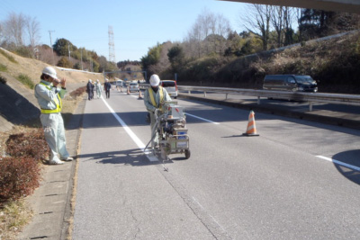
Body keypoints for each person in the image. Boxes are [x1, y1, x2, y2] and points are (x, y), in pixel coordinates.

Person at [34, 66, 74, 165]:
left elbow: (62, 95)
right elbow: (50, 97)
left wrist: (63, 87)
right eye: (52, 78)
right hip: (48, 116)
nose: (54, 79)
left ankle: (64, 155)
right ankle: (53, 158)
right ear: (45, 77)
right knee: (51, 136)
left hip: (57, 114)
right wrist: (55, 86)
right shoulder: (40, 87)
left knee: (61, 135)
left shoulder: (51, 86)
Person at [143, 74, 171, 147]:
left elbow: (168, 100)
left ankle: (163, 142)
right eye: (153, 85)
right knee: (154, 128)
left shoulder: (163, 90)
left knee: (164, 127)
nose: (155, 86)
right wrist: (154, 109)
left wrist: (169, 107)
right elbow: (146, 103)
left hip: (163, 112)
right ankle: (154, 144)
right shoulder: (147, 92)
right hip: (153, 113)